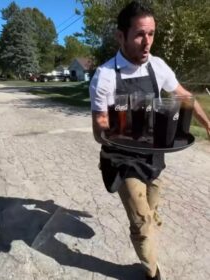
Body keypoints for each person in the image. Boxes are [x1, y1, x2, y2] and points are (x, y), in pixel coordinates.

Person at [89, 1, 210, 280]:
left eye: (152, 33)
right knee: (143, 223)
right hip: (121, 157)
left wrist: (207, 125)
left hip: (153, 154)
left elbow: (184, 96)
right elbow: (99, 132)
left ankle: (148, 218)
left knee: (152, 210)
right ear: (121, 36)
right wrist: (110, 127)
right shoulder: (104, 77)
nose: (147, 43)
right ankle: (152, 273)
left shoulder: (157, 66)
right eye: (140, 34)